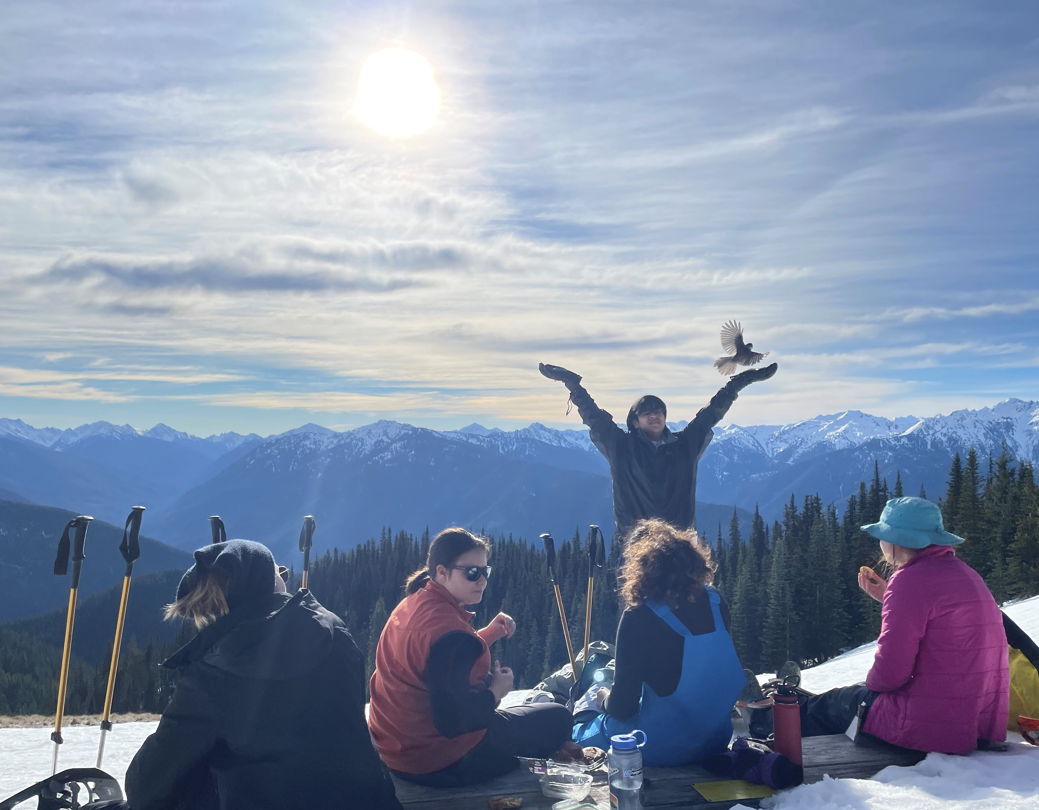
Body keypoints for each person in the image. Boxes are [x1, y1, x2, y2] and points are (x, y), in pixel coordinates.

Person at [110, 539, 403, 810]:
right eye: (280, 572)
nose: (284, 580)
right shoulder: (334, 633)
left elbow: (146, 783)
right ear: (264, 582)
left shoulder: (213, 672)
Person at [799, 497, 1009, 754]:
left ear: (896, 541)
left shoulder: (909, 580)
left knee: (837, 702)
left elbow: (889, 675)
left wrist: (869, 688)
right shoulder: (966, 574)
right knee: (849, 698)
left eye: (882, 534)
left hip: (932, 727)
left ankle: (765, 724)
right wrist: (889, 597)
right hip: (980, 724)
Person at [368, 528, 574, 787]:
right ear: (442, 571)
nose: (482, 582)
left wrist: (486, 635)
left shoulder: (414, 602)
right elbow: (453, 722)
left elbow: (437, 662)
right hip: (440, 762)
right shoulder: (450, 632)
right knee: (559, 717)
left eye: (485, 572)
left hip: (394, 751)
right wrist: (496, 692)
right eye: (472, 573)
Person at [572, 519, 745, 766]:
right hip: (715, 739)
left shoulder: (638, 616)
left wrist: (603, 699)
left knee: (578, 732)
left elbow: (624, 708)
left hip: (655, 747)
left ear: (641, 568)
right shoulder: (717, 603)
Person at [539, 361, 777, 538]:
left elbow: (710, 414)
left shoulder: (685, 446)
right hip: (637, 545)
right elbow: (594, 417)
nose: (654, 415)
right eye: (646, 412)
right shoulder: (621, 447)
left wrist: (738, 382)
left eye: (659, 411)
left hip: (681, 541)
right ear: (635, 422)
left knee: (684, 603)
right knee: (640, 604)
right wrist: (572, 384)